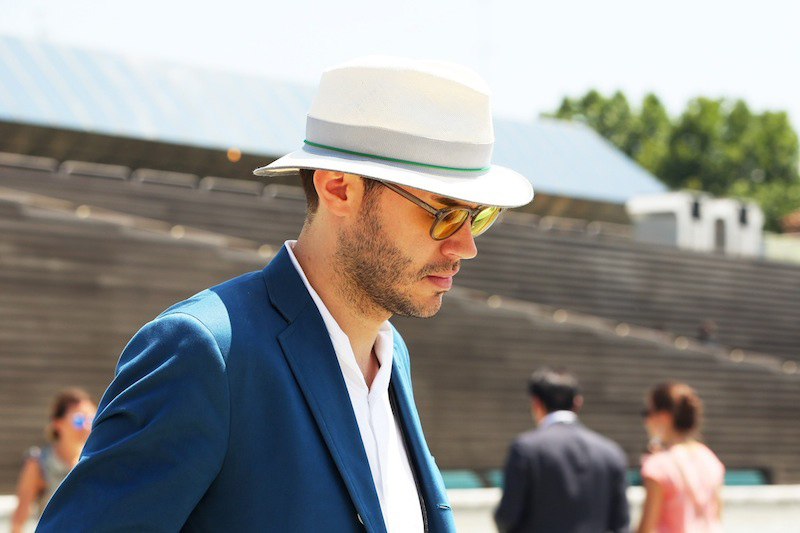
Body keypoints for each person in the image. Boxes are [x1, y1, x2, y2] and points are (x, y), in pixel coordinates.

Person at [37, 56, 534, 532]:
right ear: (338, 188)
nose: (466, 245)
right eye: (444, 213)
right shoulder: (206, 353)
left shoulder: (391, 355)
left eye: (478, 217)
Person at [494, 367, 630, 533]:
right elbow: (621, 524)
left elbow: (507, 517)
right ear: (577, 403)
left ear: (536, 403)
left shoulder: (525, 449)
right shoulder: (611, 452)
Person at [637, 382, 724, 533]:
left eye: (647, 413)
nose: (645, 420)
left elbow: (646, 528)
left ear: (664, 417)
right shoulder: (710, 458)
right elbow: (716, 516)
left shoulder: (658, 465)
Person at [10, 388, 96, 533]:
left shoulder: (96, 460)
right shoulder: (38, 464)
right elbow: (19, 520)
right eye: (78, 420)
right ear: (57, 424)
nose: (86, 426)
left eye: (91, 419)